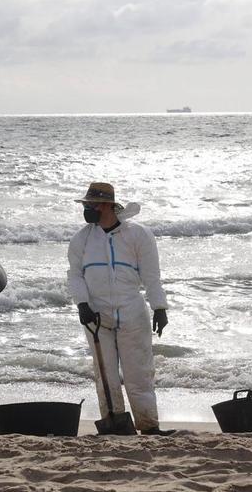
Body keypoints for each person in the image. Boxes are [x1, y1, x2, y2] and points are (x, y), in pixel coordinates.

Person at [66, 182, 173, 436]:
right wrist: (82, 304)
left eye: (90, 205)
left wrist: (159, 307)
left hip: (132, 312)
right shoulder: (81, 239)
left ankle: (148, 425)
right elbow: (75, 276)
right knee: (106, 376)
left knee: (139, 373)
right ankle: (114, 422)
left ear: (106, 205)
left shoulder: (138, 234)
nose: (86, 209)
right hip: (96, 315)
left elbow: (151, 275)